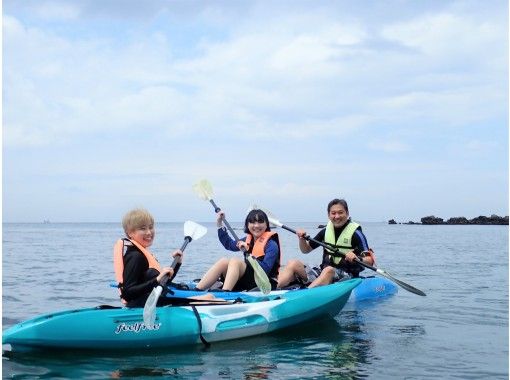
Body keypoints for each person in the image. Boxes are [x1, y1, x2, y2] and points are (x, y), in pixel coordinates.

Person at [113, 208, 214, 307]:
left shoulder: (141, 253)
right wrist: (156, 279)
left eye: (151, 227)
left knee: (210, 297)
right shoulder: (135, 256)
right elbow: (127, 293)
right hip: (143, 306)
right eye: (143, 228)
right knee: (209, 298)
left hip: (152, 302)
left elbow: (164, 283)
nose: (149, 232)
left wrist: (177, 263)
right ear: (130, 233)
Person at [277, 198, 375, 289]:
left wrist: (358, 258)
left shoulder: (356, 233)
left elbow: (370, 260)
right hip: (323, 272)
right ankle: (272, 290)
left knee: (329, 270)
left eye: (340, 213)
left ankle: (306, 294)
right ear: (329, 215)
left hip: (347, 276)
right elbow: (306, 250)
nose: (337, 216)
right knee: (293, 263)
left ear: (347, 213)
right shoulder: (325, 231)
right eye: (333, 213)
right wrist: (301, 239)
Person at [196, 209, 281, 291]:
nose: (256, 225)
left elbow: (265, 270)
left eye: (260, 222)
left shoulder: (271, 245)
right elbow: (228, 244)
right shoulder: (247, 240)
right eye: (252, 222)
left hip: (264, 283)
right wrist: (219, 223)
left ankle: (226, 292)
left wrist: (248, 254)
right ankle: (198, 289)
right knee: (224, 261)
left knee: (235, 261)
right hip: (248, 281)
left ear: (266, 225)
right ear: (247, 225)